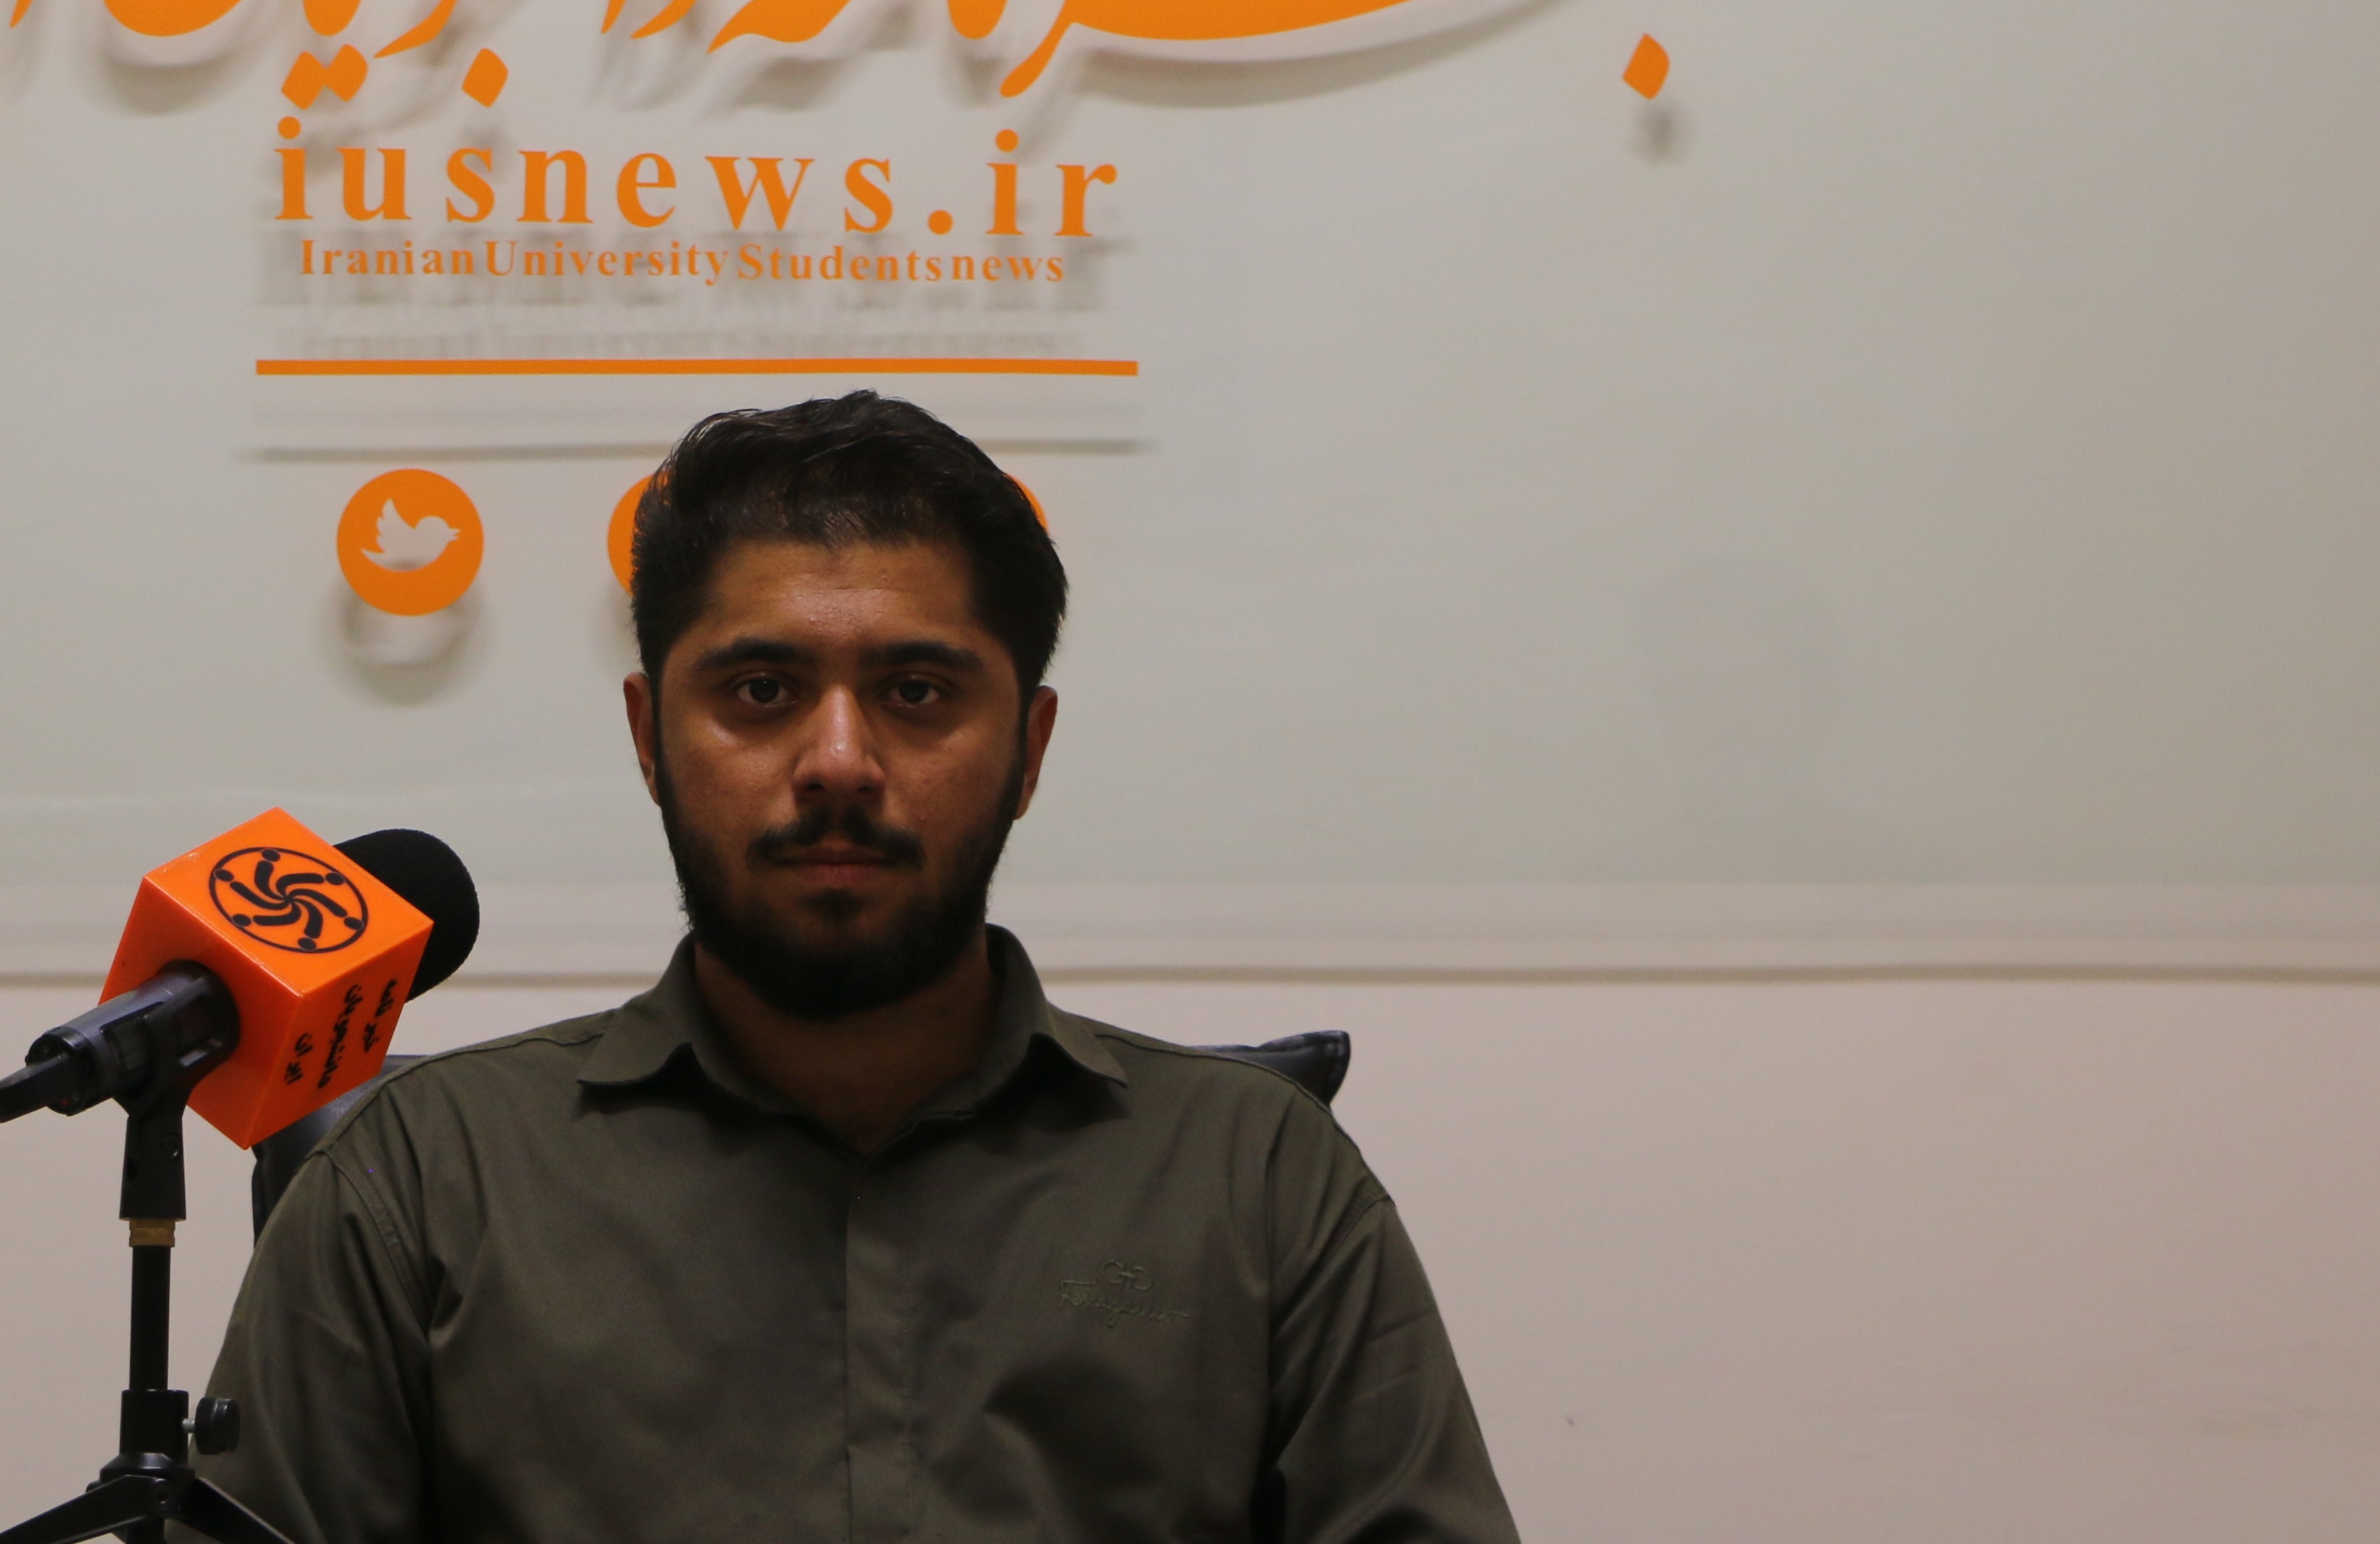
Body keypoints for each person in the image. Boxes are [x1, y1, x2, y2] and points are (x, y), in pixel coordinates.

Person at [199, 393, 1518, 1544]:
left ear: (1030, 747)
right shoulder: (420, 1180)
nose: (838, 761)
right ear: (650, 737)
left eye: (918, 691)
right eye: (761, 691)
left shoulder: (1257, 1180)